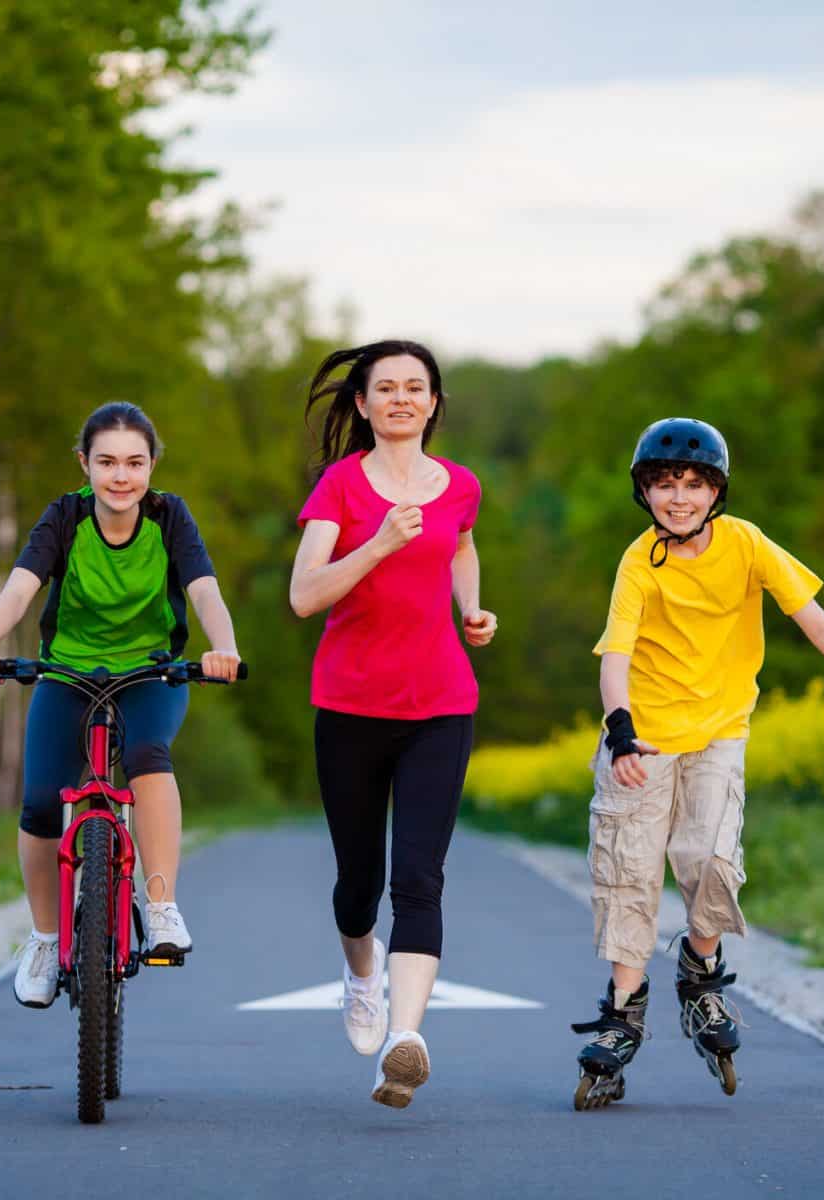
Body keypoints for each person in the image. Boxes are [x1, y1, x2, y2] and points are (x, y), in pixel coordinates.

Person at [571, 417, 824, 1109]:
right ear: (645, 491)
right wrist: (619, 729)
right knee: (628, 869)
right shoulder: (639, 561)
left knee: (710, 859)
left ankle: (700, 977)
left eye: (694, 485)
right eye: (665, 485)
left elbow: (812, 618)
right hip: (642, 739)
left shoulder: (746, 544)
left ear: (716, 492)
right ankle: (624, 1008)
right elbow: (615, 655)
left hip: (718, 733)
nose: (679, 498)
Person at [0, 402, 242, 1009]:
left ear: (152, 466)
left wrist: (225, 647)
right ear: (84, 464)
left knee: (147, 754)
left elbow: (204, 590)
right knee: (40, 802)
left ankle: (160, 906)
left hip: (151, 672)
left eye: (135, 463)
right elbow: (20, 589)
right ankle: (42, 937)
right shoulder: (65, 518)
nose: (121, 476)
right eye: (107, 461)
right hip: (66, 671)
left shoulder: (170, 519)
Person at [289, 340, 497, 1109]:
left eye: (417, 387)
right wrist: (378, 543)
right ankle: (361, 974)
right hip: (349, 705)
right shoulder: (340, 488)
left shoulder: (461, 487)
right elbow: (304, 596)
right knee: (358, 886)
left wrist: (469, 607)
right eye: (387, 388)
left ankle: (405, 1042)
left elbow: (462, 548)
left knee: (419, 877)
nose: (403, 398)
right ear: (364, 404)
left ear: (434, 403)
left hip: (441, 704)